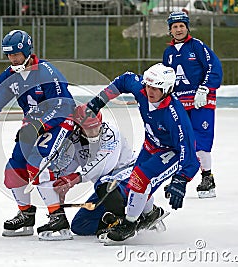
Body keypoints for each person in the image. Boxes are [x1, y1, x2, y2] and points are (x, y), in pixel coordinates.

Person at [0, 30, 76, 240]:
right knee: (13, 170)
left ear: (27, 51)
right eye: (9, 55)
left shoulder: (48, 73)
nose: (13, 59)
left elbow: (64, 106)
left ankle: (57, 217)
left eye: (16, 54)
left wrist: (39, 125)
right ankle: (26, 214)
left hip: (58, 125)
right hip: (31, 128)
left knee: (37, 165)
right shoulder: (8, 77)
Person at [81, 63, 200, 243]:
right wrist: (99, 101)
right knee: (135, 186)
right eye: (148, 86)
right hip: (150, 146)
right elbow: (125, 79)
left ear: (167, 89)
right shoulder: (142, 91)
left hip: (171, 152)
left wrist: (181, 179)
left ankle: (129, 224)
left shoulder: (175, 117)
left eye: (156, 88)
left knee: (141, 177)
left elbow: (189, 154)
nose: (150, 91)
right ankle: (150, 214)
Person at [51, 105, 168, 239]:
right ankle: (116, 223)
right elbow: (65, 167)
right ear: (79, 127)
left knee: (103, 182)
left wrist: (77, 177)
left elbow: (105, 164)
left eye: (97, 126)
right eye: (89, 128)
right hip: (105, 188)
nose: (95, 132)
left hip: (127, 175)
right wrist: (61, 183)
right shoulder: (73, 141)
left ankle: (127, 220)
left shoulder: (111, 132)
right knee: (80, 225)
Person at [163, 11, 223, 198]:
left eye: (182, 25)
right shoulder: (169, 53)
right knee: (181, 141)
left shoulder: (197, 46)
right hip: (181, 103)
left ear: (187, 27)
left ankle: (207, 177)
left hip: (201, 102)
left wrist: (204, 89)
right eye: (175, 26)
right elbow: (167, 78)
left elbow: (214, 67)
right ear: (170, 30)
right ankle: (179, 179)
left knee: (201, 140)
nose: (179, 29)